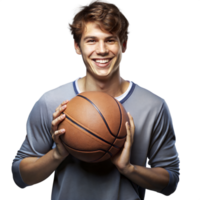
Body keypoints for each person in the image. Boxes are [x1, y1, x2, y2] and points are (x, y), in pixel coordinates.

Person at [10, 0, 181, 199]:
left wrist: (128, 168)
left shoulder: (153, 106)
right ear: (77, 46)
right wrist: (58, 153)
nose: (101, 50)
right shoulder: (50, 102)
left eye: (110, 40)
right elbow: (19, 178)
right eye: (91, 40)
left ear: (124, 45)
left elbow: (171, 183)